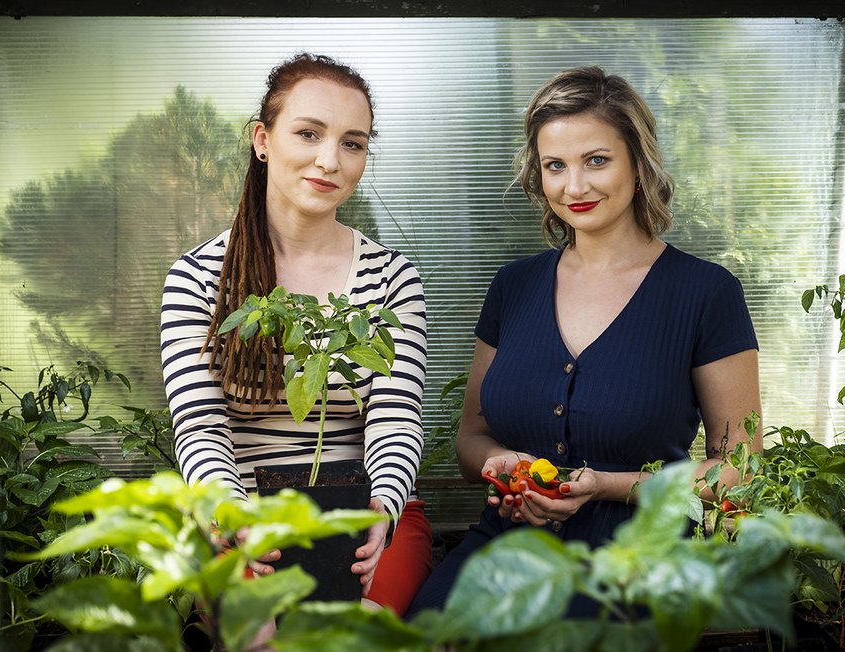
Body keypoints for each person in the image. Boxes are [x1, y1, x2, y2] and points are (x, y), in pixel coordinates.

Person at [407, 66, 762, 617]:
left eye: (596, 160)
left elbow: (739, 469)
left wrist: (607, 486)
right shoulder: (513, 287)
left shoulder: (705, 293)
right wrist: (506, 470)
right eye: (556, 166)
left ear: (638, 167)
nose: (574, 186)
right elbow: (471, 439)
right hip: (505, 547)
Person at [160, 52, 431, 617]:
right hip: (244, 511)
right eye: (308, 133)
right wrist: (232, 520)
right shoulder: (198, 277)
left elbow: (396, 415)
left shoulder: (390, 276)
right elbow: (200, 427)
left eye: (353, 143)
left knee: (365, 631)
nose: (329, 160)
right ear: (263, 140)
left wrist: (379, 510)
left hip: (364, 511)